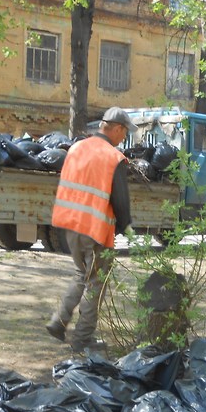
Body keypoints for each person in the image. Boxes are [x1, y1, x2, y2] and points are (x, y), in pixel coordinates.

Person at [46, 106, 135, 353]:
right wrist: (126, 225)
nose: (124, 138)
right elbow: (120, 199)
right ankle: (82, 340)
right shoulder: (113, 157)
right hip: (94, 230)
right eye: (125, 132)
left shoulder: (76, 148)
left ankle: (58, 321)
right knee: (96, 284)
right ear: (116, 129)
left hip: (69, 224)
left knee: (80, 275)